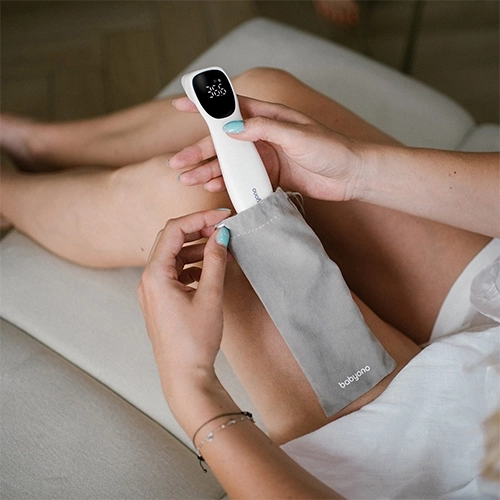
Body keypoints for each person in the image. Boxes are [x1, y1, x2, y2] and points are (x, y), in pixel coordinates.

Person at [1, 67, 498, 497]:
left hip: (432, 444)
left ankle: (7, 192)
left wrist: (192, 387)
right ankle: (40, 145)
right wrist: (357, 169)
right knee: (263, 100)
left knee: (191, 209)